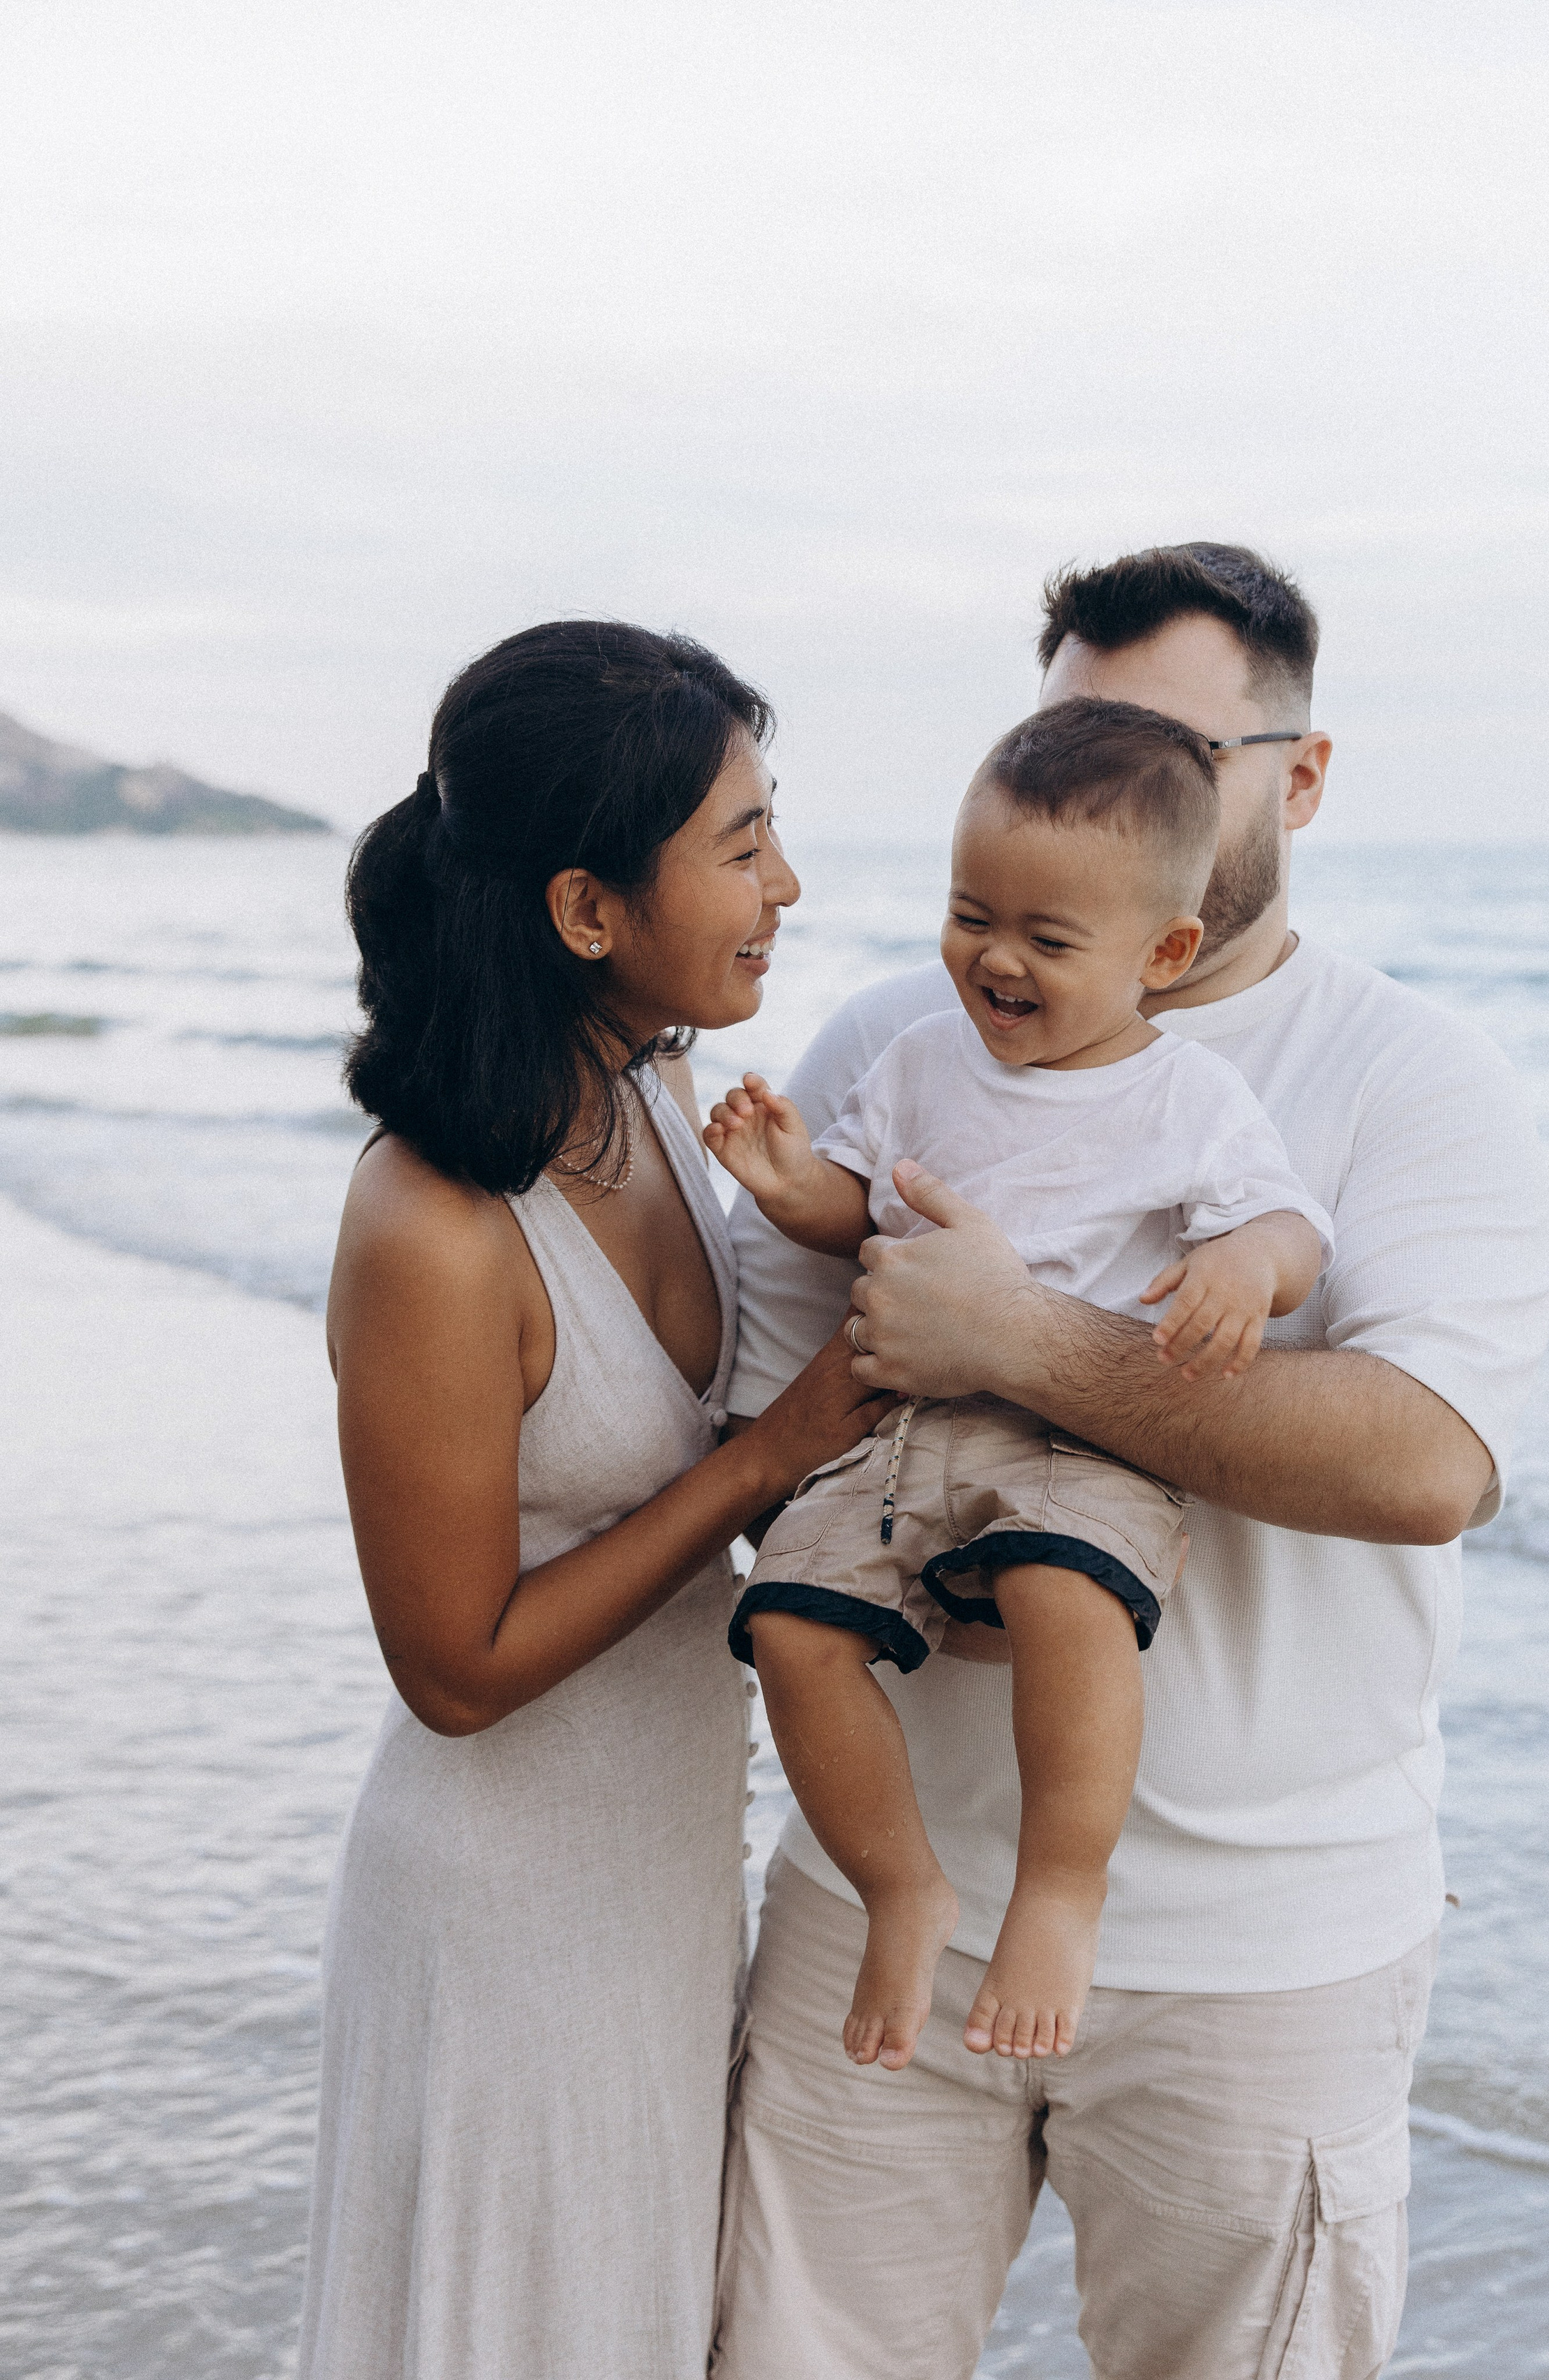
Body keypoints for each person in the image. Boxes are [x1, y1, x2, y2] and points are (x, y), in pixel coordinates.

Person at [712, 545, 1549, 2380]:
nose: (1112, 773)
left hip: (1262, 1958)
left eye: (1171, 739)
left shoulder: (1417, 1080)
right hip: (884, 1911)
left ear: (1301, 777)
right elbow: (785, 1429)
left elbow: (1426, 1461)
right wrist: (939, 1567)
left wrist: (1023, 1342)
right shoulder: (898, 1039)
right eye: (1069, 731)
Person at [297, 620, 890, 2380]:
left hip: (659, 1877)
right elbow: (454, 1666)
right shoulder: (431, 1227)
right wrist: (762, 1458)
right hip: (497, 1913)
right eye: (738, 842)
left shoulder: (664, 1087)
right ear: (583, 910)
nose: (785, 880)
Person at [704, 698, 1330, 2076]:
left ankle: (1059, 1888)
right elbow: (851, 1203)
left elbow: (1287, 1228)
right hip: (905, 1419)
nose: (993, 958)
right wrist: (785, 1179)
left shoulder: (1189, 1099)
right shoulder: (921, 1054)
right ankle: (901, 1886)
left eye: (1047, 940)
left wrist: (1242, 1265)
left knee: (1065, 1594)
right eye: (967, 912)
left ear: (1159, 954)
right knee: (791, 1626)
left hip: (1072, 1431)